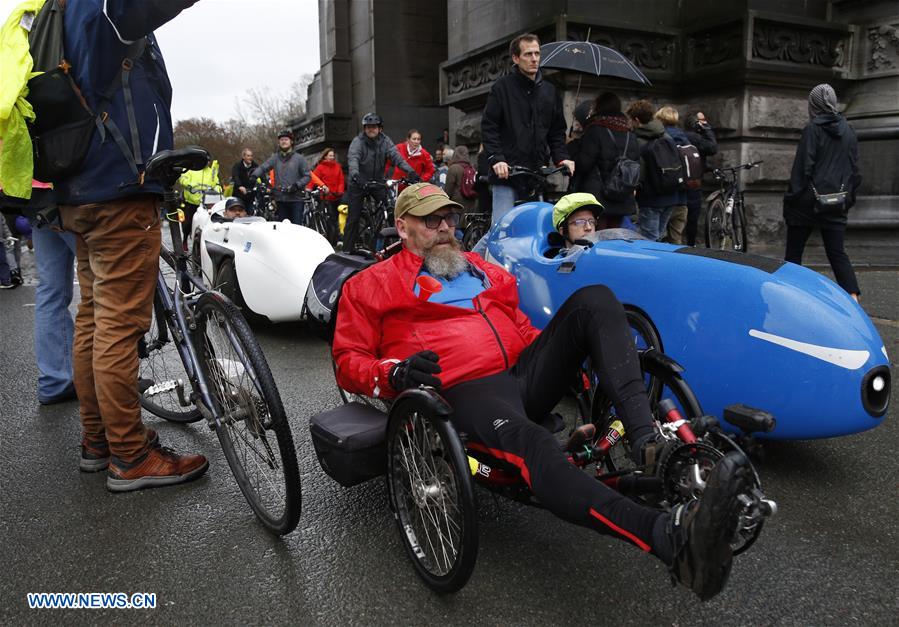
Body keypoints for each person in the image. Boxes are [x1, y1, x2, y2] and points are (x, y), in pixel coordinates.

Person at [333, 182, 753, 601]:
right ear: (402, 227)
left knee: (595, 299)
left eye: (449, 218)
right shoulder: (372, 284)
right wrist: (394, 372)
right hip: (462, 390)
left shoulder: (480, 268)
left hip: (521, 375)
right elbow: (348, 361)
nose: (444, 227)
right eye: (430, 220)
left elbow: (520, 327)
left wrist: (572, 360)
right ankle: (668, 537)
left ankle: (648, 444)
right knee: (536, 445)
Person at [56, 0, 207, 491]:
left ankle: (98, 440)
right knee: (118, 329)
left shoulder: (57, 12)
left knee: (93, 320)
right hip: (119, 186)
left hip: (79, 190)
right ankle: (130, 454)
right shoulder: (98, 6)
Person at [481, 33, 574, 224]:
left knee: (538, 227)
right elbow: (489, 126)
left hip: (536, 175)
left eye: (537, 54)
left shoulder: (549, 91)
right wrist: (497, 159)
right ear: (516, 58)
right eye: (528, 54)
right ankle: (482, 246)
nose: (534, 59)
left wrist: (562, 157)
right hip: (507, 173)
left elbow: (556, 131)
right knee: (502, 227)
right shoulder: (502, 88)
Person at [783, 84, 862, 302]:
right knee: (837, 253)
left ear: (814, 105)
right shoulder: (849, 130)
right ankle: (854, 300)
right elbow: (855, 170)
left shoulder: (812, 129)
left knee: (794, 254)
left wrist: (791, 199)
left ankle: (789, 298)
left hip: (807, 203)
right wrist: (848, 199)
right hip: (837, 201)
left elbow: (803, 169)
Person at [344, 112, 418, 251]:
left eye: (374, 127)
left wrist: (411, 171)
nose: (371, 129)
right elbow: (353, 159)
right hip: (358, 182)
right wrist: (356, 175)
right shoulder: (358, 142)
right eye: (368, 127)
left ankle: (400, 246)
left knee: (391, 210)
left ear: (380, 128)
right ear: (364, 128)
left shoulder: (385, 141)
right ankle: (347, 250)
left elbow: (397, 158)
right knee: (353, 217)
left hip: (377, 182)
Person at [575, 92, 640, 230]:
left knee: (597, 235)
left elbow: (584, 164)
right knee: (614, 235)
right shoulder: (630, 133)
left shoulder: (595, 129)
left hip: (597, 194)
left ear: (599, 107)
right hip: (622, 193)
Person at [626, 99, 680, 241]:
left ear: (636, 120)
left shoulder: (638, 140)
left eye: (630, 120)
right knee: (659, 237)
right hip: (671, 195)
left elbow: (639, 171)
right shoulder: (665, 135)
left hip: (651, 198)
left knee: (647, 239)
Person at [253, 129, 311, 225]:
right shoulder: (275, 158)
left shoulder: (299, 158)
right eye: (281, 140)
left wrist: (296, 185)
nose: (284, 141)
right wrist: (254, 175)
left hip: (296, 199)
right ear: (279, 142)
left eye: (286, 139)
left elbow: (307, 176)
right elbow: (264, 167)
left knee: (296, 227)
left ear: (291, 142)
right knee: (282, 227)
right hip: (280, 198)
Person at [655, 106, 689, 244]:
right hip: (683, 199)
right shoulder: (686, 139)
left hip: (664, 198)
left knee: (656, 238)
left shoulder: (660, 139)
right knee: (676, 239)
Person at [683, 111, 718, 246]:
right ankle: (690, 246)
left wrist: (708, 167)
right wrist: (707, 129)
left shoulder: (684, 136)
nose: (705, 123)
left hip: (682, 181)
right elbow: (712, 148)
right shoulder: (694, 137)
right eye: (702, 121)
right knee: (692, 218)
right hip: (692, 183)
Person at [178, 155, 222, 241]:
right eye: (205, 160)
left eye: (208, 161)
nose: (207, 163)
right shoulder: (190, 169)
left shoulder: (211, 172)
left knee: (207, 222)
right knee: (187, 224)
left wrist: (218, 190)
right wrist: (190, 185)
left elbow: (216, 183)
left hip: (206, 202)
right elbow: (182, 179)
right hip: (191, 201)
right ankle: (185, 240)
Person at [309, 147, 346, 246]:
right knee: (330, 219)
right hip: (326, 197)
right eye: (330, 155)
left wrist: (340, 191)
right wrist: (309, 189)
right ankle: (332, 239)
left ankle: (339, 238)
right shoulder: (320, 168)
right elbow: (314, 179)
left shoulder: (337, 166)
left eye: (333, 156)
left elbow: (341, 180)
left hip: (337, 196)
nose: (332, 157)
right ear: (325, 156)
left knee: (340, 218)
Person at [443, 145, 476, 213]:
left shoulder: (453, 168)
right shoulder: (472, 168)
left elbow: (449, 188)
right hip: (470, 201)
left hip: (457, 203)